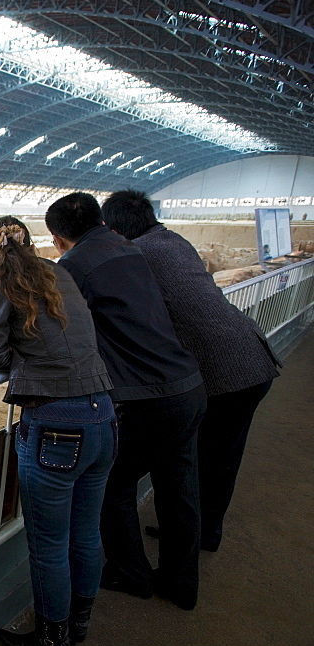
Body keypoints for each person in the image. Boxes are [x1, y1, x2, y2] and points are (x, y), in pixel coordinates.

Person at [45, 192, 207, 610]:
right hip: (187, 384)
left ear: (59, 237)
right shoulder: (130, 249)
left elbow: (60, 332)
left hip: (149, 397)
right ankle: (182, 583)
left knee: (111, 483)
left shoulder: (75, 266)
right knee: (180, 486)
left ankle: (131, 573)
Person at [102, 189, 280, 551]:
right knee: (222, 458)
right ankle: (204, 533)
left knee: (188, 463)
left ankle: (189, 541)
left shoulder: (135, 254)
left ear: (116, 229)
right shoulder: (172, 240)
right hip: (251, 358)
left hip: (223, 372)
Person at [0, 216, 115, 646]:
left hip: (58, 427)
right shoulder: (60, 272)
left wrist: (26, 358)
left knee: (50, 544)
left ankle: (53, 641)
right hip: (103, 416)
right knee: (87, 529)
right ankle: (80, 622)